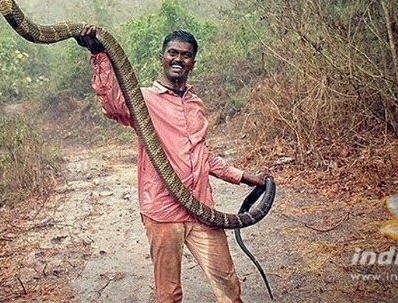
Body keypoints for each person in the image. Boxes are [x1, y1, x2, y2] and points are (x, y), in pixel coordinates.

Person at [75, 25, 266, 303]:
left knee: (228, 286)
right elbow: (112, 105)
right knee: (169, 294)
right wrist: (98, 54)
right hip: (163, 213)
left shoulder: (196, 104)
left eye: (186, 55)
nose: (178, 59)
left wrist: (246, 177)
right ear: (161, 58)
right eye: (172, 53)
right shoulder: (144, 101)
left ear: (193, 63)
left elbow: (204, 156)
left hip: (202, 209)